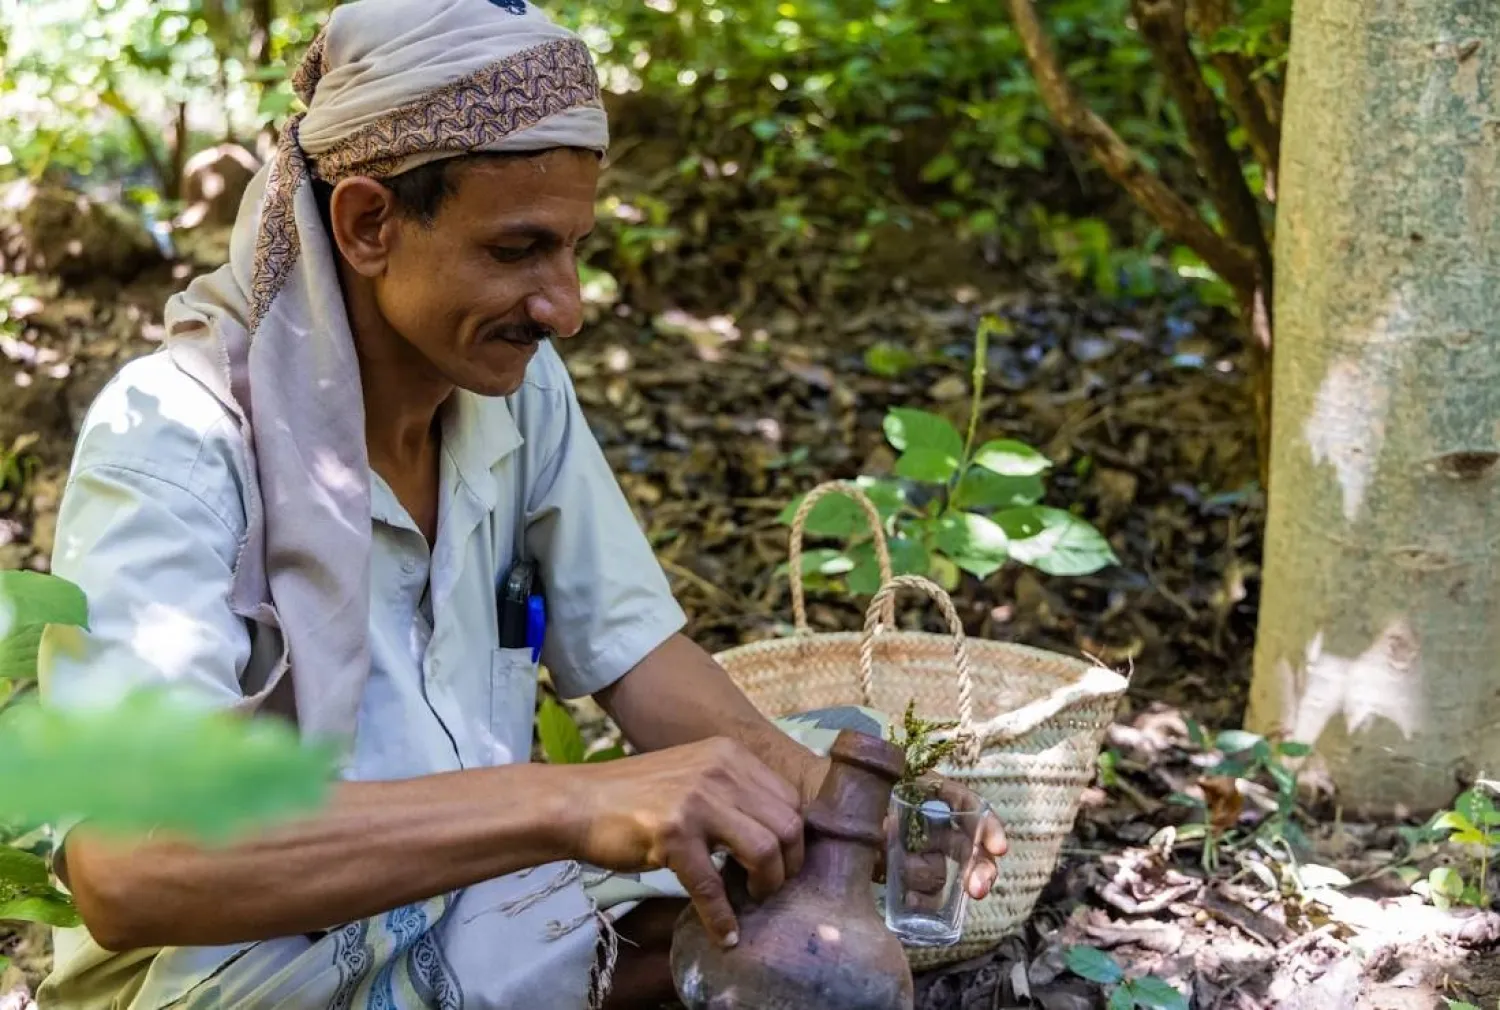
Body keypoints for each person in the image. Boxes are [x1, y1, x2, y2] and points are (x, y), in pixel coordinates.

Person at [34, 1, 1007, 1007]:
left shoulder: (513, 387)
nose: (566, 305)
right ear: (368, 223)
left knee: (789, 805)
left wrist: (844, 814)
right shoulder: (173, 440)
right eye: (517, 250)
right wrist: (570, 800)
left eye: (573, 248)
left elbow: (635, 656)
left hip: (475, 889)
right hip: (245, 961)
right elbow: (134, 865)